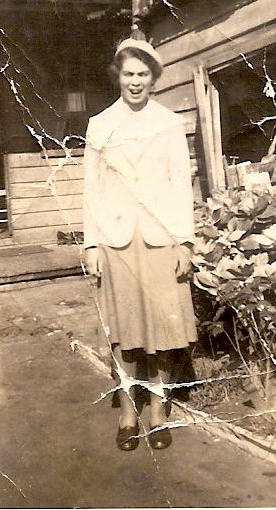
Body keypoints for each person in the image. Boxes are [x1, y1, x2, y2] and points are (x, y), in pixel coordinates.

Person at [83, 36, 197, 451]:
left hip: (160, 238)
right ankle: (130, 410)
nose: (135, 82)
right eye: (129, 73)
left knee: (164, 325)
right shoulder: (100, 124)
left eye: (143, 74)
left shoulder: (168, 123)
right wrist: (92, 245)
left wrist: (185, 242)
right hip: (115, 240)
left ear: (154, 78)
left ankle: (158, 410)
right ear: (118, 75)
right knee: (124, 329)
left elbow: (181, 186)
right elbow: (91, 191)